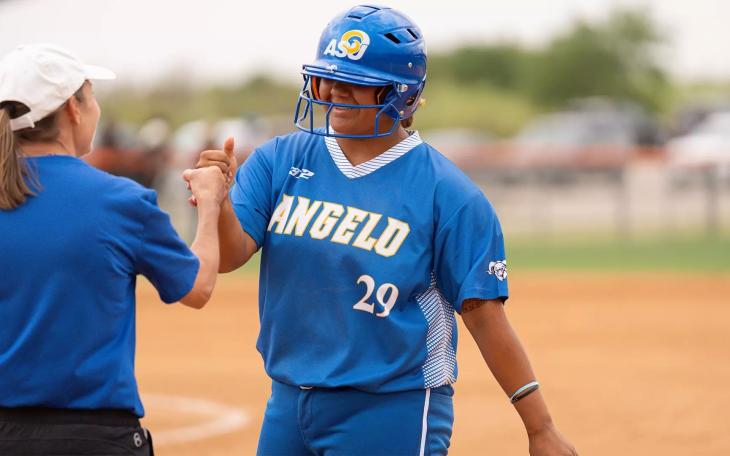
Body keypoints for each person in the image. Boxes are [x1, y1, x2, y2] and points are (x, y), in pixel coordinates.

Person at [196, 5, 577, 455]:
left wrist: (540, 426)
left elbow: (485, 317)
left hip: (391, 409)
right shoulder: (281, 159)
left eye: (355, 83)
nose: (334, 91)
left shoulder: (447, 194)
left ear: (401, 95)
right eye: (327, 78)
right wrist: (218, 204)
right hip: (288, 402)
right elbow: (232, 254)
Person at [0, 44, 227, 455]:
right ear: (72, 108)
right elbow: (198, 287)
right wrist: (210, 205)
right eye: (91, 94)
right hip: (95, 437)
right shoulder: (120, 202)